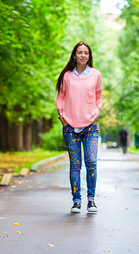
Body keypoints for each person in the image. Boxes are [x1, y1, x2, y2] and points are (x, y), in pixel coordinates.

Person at [56, 41, 102, 213]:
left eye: (86, 53)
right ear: (74, 55)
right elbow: (60, 97)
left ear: (89, 56)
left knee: (91, 163)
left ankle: (91, 200)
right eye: (80, 52)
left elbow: (99, 96)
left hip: (90, 127)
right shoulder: (67, 76)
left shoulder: (96, 74)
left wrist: (97, 113)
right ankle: (76, 201)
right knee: (75, 165)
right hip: (70, 126)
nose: (83, 55)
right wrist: (61, 116)